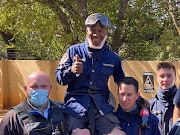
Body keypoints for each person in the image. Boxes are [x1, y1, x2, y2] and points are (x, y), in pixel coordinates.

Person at [55, 13, 126, 135]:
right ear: (86, 30)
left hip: (102, 107)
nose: (96, 34)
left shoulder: (113, 58)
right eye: (92, 30)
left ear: (107, 32)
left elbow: (124, 82)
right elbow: (59, 78)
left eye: (100, 30)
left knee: (118, 133)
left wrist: (138, 98)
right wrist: (71, 71)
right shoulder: (73, 51)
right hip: (76, 107)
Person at [0, 71, 67, 135]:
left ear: (50, 88)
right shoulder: (12, 118)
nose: (39, 91)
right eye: (34, 87)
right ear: (26, 89)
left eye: (44, 86)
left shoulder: (62, 109)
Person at [149, 62, 177, 135]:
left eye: (169, 76)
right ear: (157, 79)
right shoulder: (149, 106)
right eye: (162, 76)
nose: (165, 79)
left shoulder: (178, 105)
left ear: (175, 78)